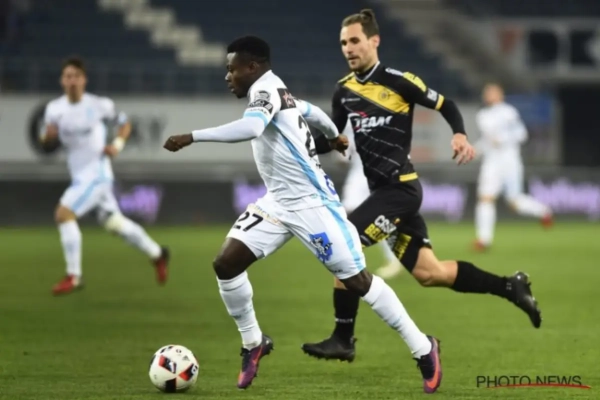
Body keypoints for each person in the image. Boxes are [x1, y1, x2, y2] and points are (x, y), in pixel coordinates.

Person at [163, 36, 443, 394]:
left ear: (252, 67)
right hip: (277, 203)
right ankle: (253, 343)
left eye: (232, 69)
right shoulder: (276, 89)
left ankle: (423, 348)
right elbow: (309, 110)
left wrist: (192, 136)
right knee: (226, 264)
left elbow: (252, 127)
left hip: (314, 205)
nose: (227, 76)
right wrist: (335, 136)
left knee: (357, 281)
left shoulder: (265, 91)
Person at [301, 9, 542, 363]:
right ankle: (511, 287)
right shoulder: (344, 90)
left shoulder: (400, 81)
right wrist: (304, 143)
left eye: (354, 40)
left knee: (344, 242)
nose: (348, 48)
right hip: (383, 194)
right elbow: (334, 138)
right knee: (431, 273)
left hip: (401, 190)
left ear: (374, 41)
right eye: (343, 43)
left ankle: (343, 338)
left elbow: (446, 104)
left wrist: (459, 134)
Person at [41, 56, 169, 296]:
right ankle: (158, 254)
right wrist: (47, 138)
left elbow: (125, 124)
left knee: (63, 214)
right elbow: (47, 143)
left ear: (84, 80)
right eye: (68, 76)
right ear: (62, 80)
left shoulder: (99, 105)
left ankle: (73, 275)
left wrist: (117, 145)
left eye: (76, 76)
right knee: (115, 224)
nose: (72, 81)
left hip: (97, 174)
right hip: (79, 175)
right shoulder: (54, 110)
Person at [473, 83, 553, 251]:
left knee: (514, 202)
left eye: (492, 92)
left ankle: (543, 211)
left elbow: (522, 134)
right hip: (491, 162)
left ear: (500, 95)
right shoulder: (482, 116)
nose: (488, 95)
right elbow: (487, 141)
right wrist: (475, 150)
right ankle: (484, 240)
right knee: (485, 198)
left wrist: (502, 140)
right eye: (487, 92)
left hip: (510, 161)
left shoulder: (508, 113)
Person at [338, 123, 403, 279]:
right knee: (347, 213)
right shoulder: (348, 120)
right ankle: (351, 260)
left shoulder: (378, 117)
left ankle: (393, 258)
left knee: (375, 215)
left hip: (376, 173)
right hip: (358, 174)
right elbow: (345, 153)